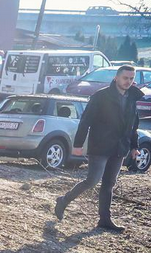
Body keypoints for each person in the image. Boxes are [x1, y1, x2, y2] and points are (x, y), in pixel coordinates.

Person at [55, 64, 141, 233]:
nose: (128, 82)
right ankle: (64, 200)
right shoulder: (101, 96)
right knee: (92, 180)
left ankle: (105, 220)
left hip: (119, 147)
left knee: (109, 183)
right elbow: (85, 121)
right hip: (100, 145)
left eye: (131, 79)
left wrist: (134, 146)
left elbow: (133, 125)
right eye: (125, 78)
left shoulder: (132, 98)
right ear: (116, 78)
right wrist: (78, 145)